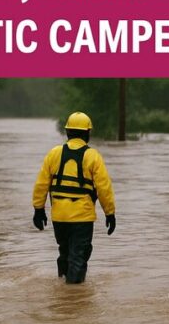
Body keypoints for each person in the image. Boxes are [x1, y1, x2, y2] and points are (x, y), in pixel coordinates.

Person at [32, 111, 117, 284]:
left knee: (65, 252)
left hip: (59, 217)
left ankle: (62, 289)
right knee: (79, 256)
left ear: (68, 132)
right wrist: (110, 213)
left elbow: (41, 184)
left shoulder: (53, 153)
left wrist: (38, 209)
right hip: (82, 218)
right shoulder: (93, 156)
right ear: (87, 133)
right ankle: (73, 300)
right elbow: (104, 188)